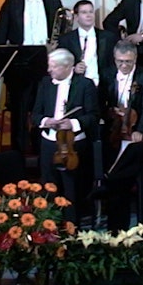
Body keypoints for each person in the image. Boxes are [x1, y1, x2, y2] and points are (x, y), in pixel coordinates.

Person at [0, 0, 64, 153]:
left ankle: (43, 150)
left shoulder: (53, 0)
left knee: (45, 107)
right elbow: (0, 34)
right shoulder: (12, 0)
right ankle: (19, 153)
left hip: (47, 64)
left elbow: (61, 30)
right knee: (20, 111)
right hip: (20, 65)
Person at [97, 41, 143, 231]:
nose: (124, 66)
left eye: (128, 62)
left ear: (135, 59)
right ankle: (116, 231)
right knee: (116, 186)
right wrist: (109, 112)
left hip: (138, 138)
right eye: (120, 61)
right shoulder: (107, 74)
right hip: (115, 137)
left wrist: (140, 130)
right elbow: (99, 103)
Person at [32, 48, 100, 208]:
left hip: (74, 145)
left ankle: (73, 227)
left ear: (68, 66)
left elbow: (93, 116)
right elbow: (35, 115)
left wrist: (73, 123)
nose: (49, 70)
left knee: (72, 190)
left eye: (53, 66)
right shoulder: (45, 83)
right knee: (50, 188)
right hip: (49, 143)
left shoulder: (85, 85)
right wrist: (46, 121)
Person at [58, 0, 118, 87]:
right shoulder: (66, 39)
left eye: (91, 12)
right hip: (77, 86)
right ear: (76, 17)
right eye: (84, 12)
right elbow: (60, 64)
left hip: (103, 86)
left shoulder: (108, 37)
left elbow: (113, 62)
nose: (89, 15)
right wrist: (73, 69)